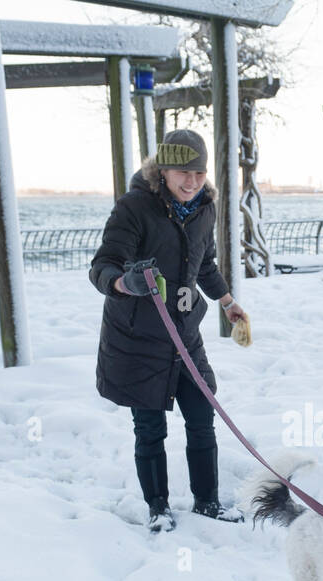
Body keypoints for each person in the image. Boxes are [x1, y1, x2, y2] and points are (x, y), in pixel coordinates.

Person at [89, 128, 248, 532]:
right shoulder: (134, 208)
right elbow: (103, 265)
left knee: (201, 415)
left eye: (198, 172)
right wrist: (125, 283)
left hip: (184, 333)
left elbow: (205, 264)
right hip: (137, 338)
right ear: (163, 170)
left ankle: (207, 502)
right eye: (182, 172)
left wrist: (227, 302)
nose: (191, 182)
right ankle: (158, 507)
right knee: (150, 428)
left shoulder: (204, 208)